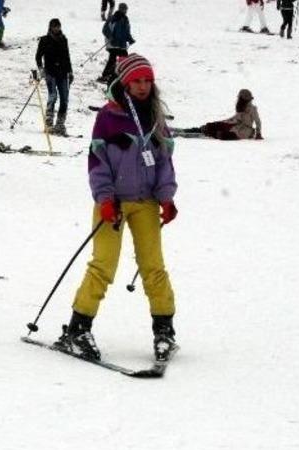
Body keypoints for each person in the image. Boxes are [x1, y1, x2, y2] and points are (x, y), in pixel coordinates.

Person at [60, 54, 179, 362]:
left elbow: (164, 161)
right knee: (103, 264)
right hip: (111, 203)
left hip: (146, 202)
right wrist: (105, 198)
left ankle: (164, 330)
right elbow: (97, 162)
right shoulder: (109, 117)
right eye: (137, 80)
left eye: (147, 80)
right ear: (125, 83)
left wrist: (166, 197)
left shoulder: (156, 119)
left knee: (153, 266)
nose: (142, 86)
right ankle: (78, 329)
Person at [173, 89, 263, 140]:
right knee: (214, 125)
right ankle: (190, 130)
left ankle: (206, 134)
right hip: (234, 125)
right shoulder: (240, 107)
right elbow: (235, 117)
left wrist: (258, 133)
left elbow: (258, 122)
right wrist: (224, 121)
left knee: (223, 135)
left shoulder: (252, 109)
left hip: (244, 131)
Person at [36, 18, 74, 136]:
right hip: (50, 72)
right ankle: (49, 123)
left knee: (65, 98)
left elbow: (67, 56)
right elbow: (38, 56)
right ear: (50, 27)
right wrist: (41, 69)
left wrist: (70, 71)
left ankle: (60, 124)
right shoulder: (44, 40)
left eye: (58, 26)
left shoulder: (64, 39)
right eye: (54, 26)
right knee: (53, 96)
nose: (57, 28)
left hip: (63, 73)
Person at [98, 3, 135, 84]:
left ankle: (119, 75)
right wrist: (110, 36)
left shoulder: (126, 19)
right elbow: (105, 29)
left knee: (123, 58)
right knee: (113, 59)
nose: (125, 11)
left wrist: (130, 39)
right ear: (120, 9)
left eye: (126, 9)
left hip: (121, 44)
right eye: (124, 9)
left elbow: (126, 32)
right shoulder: (113, 18)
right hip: (113, 43)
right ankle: (106, 75)